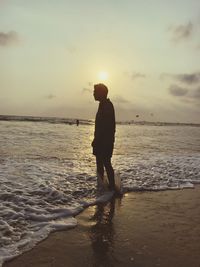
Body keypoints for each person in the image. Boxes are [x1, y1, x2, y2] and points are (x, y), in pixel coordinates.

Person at [92, 83, 116, 191]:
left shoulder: (107, 105)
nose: (93, 93)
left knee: (106, 163)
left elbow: (106, 126)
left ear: (101, 93)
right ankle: (102, 187)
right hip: (101, 141)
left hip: (105, 141)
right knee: (100, 164)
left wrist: (98, 139)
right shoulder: (103, 104)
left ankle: (112, 188)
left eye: (95, 91)